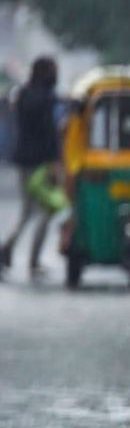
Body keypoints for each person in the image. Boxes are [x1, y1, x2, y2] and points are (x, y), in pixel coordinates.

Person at [3, 56, 61, 278]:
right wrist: (54, 161)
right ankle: (33, 260)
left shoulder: (23, 94)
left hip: (23, 161)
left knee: (29, 211)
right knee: (46, 210)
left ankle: (8, 249)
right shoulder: (46, 98)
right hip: (40, 164)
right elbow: (49, 134)